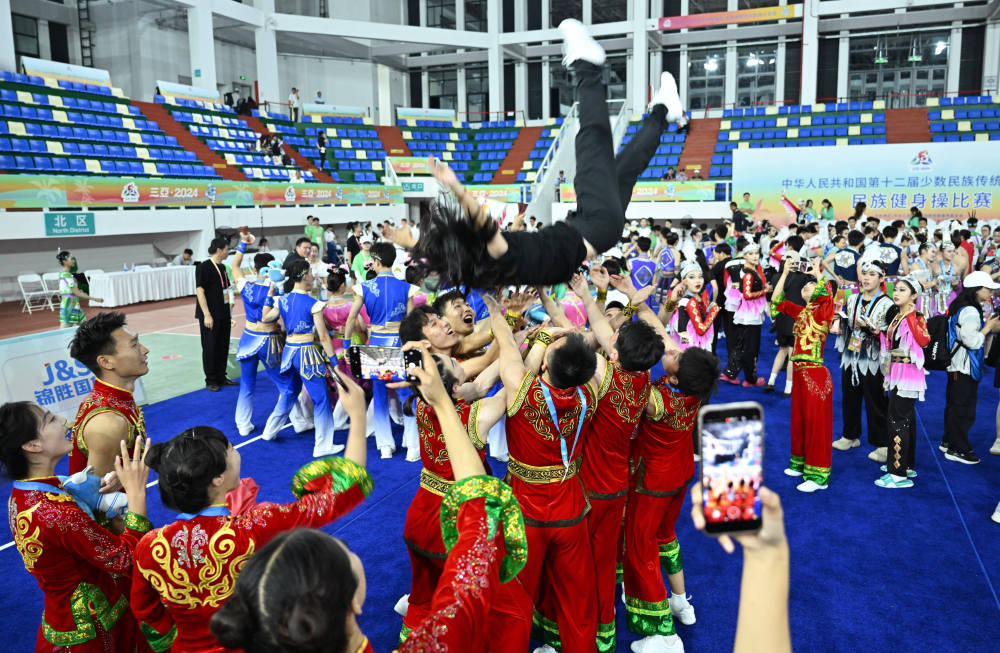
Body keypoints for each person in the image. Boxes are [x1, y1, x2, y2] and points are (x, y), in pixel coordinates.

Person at [208, 345, 527, 653]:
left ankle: (415, 609)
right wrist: (365, 416)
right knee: (511, 608)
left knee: (425, 589)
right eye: (346, 553)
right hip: (446, 516)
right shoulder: (434, 642)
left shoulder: (195, 538)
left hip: (422, 513)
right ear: (353, 603)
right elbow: (475, 522)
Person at [385, 20, 687, 290]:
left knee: (626, 168)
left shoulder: (482, 269)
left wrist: (407, 240)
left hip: (592, 227)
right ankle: (587, 65)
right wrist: (456, 187)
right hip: (595, 226)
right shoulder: (493, 253)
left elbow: (443, 254)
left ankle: (664, 111)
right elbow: (483, 226)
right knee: (591, 142)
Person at [131, 369, 371, 652]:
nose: (236, 452)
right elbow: (341, 493)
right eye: (230, 449)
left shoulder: (149, 546)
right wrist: (357, 417)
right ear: (217, 479)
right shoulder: (253, 527)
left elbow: (144, 610)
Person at [482, 290, 599, 653]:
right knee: (578, 599)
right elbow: (587, 350)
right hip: (570, 509)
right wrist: (561, 335)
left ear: (546, 365)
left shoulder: (522, 390)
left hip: (525, 512)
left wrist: (496, 308)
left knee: (514, 599)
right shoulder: (590, 392)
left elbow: (505, 343)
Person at [561, 270, 664, 651]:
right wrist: (589, 296)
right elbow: (606, 334)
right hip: (618, 486)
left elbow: (592, 339)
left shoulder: (604, 375)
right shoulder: (643, 379)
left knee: (577, 564)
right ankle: (605, 632)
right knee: (604, 563)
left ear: (616, 353)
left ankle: (578, 633)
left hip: (589, 486)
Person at [1, 403, 152, 652]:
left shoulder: (26, 493)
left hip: (68, 616)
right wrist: (136, 494)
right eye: (50, 420)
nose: (62, 420)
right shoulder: (56, 514)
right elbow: (126, 559)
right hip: (90, 629)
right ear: (32, 445)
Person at [258, 260, 344, 457]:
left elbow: (265, 318)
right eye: (311, 273)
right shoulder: (313, 304)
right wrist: (335, 362)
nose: (313, 276)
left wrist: (270, 294)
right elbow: (323, 337)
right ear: (304, 276)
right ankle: (322, 445)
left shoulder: (283, 300)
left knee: (289, 392)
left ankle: (269, 431)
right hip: (307, 354)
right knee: (321, 399)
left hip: (289, 352)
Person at [770, 255, 835, 492]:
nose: (807, 286)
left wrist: (817, 272)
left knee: (816, 424)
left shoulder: (823, 311)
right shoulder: (802, 312)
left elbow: (827, 293)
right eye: (805, 285)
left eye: (812, 285)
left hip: (815, 373)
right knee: (799, 421)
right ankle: (800, 463)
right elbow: (776, 302)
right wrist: (785, 273)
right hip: (799, 372)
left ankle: (818, 476)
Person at [345, 242, 416, 458]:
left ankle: (385, 446)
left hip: (375, 342)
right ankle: (413, 446)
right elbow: (412, 323)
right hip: (400, 343)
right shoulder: (407, 288)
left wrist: (347, 346)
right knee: (406, 392)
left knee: (380, 394)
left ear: (376, 261)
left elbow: (351, 318)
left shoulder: (364, 287)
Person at [230, 231, 302, 438]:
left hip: (248, 338)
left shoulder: (247, 287)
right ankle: (296, 420)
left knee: (247, 384)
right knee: (285, 385)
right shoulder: (278, 292)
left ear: (255, 269)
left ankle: (243, 425)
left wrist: (243, 244)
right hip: (269, 341)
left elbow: (234, 267)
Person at [68, 312, 149, 477]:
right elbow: (98, 491)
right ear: (105, 362)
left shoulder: (115, 399)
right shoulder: (108, 423)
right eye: (134, 345)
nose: (145, 350)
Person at [833, 261, 893, 460]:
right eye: (864, 273)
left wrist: (874, 330)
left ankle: (883, 444)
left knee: (876, 401)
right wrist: (839, 320)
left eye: (872, 274)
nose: (866, 278)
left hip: (874, 359)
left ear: (882, 278)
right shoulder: (852, 299)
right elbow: (848, 325)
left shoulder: (888, 304)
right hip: (852, 354)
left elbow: (892, 335)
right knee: (849, 397)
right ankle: (850, 435)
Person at [941, 271, 1000, 464]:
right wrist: (988, 327)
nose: (991, 292)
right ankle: (957, 449)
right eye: (988, 288)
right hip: (964, 365)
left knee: (954, 405)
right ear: (976, 290)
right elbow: (972, 341)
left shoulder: (961, 305)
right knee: (963, 409)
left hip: (956, 364)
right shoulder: (971, 311)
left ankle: (948, 441)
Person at [877, 276, 931, 488]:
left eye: (902, 290)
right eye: (896, 289)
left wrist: (911, 318)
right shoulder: (899, 316)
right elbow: (893, 343)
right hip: (897, 373)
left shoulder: (914, 316)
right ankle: (905, 464)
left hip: (907, 376)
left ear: (914, 295)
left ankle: (898, 473)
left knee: (898, 421)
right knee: (904, 419)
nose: (896, 293)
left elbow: (923, 341)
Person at [721, 243, 769, 386]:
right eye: (751, 254)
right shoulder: (748, 273)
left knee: (742, 345)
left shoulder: (750, 269)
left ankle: (731, 373)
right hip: (750, 314)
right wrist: (765, 291)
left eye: (756, 253)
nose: (755, 256)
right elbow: (747, 295)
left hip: (747, 313)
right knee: (751, 347)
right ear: (744, 256)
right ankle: (749, 378)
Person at [195, 236, 236, 392]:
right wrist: (206, 314)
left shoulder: (223, 267)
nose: (228, 252)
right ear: (219, 250)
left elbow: (226, 288)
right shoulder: (203, 267)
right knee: (210, 347)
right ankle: (211, 380)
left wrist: (229, 307)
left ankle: (221, 376)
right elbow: (200, 291)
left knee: (223, 346)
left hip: (223, 313)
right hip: (210, 315)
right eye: (227, 249)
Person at [666, 260, 720, 351]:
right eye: (692, 277)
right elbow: (701, 330)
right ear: (684, 281)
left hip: (684, 345)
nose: (698, 281)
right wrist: (713, 312)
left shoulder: (683, 298)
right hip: (691, 349)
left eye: (700, 276)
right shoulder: (690, 301)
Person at [56, 251, 102, 328]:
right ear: (64, 261)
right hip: (68, 306)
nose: (73, 261)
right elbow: (77, 293)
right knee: (64, 332)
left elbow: (61, 291)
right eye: (71, 259)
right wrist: (95, 299)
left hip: (73, 304)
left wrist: (71, 293)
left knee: (85, 328)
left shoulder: (62, 274)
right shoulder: (66, 275)